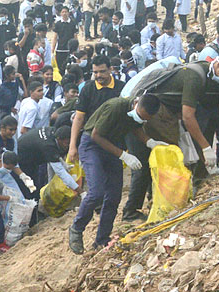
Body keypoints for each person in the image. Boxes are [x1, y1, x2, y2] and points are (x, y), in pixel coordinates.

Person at [68, 94, 161, 253]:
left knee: (113, 196)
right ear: (136, 103)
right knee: (96, 193)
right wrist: (123, 155)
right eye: (140, 115)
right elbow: (96, 135)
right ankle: (76, 229)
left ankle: (102, 240)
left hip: (112, 146)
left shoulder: (137, 115)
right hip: (93, 145)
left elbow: (135, 127)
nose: (141, 119)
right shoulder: (116, 107)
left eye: (145, 119)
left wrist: (149, 142)